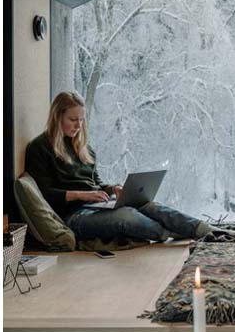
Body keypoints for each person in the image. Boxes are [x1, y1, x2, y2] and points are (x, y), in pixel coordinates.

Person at [23, 91, 213, 244]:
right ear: (57, 117)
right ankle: (174, 232)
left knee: (148, 205)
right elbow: (45, 194)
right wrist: (81, 195)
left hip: (95, 206)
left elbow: (95, 182)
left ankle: (205, 230)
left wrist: (113, 189)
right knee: (127, 215)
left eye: (81, 119)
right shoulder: (39, 148)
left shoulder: (82, 147)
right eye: (73, 119)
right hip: (72, 216)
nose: (79, 125)